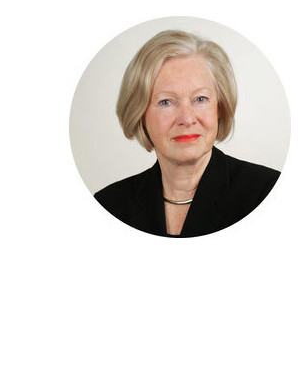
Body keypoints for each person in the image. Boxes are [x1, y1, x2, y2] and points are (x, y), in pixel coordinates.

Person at [95, 30, 280, 237]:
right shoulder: (108, 205)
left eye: (200, 99)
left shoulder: (268, 192)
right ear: (139, 114)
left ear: (219, 107)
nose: (187, 118)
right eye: (166, 102)